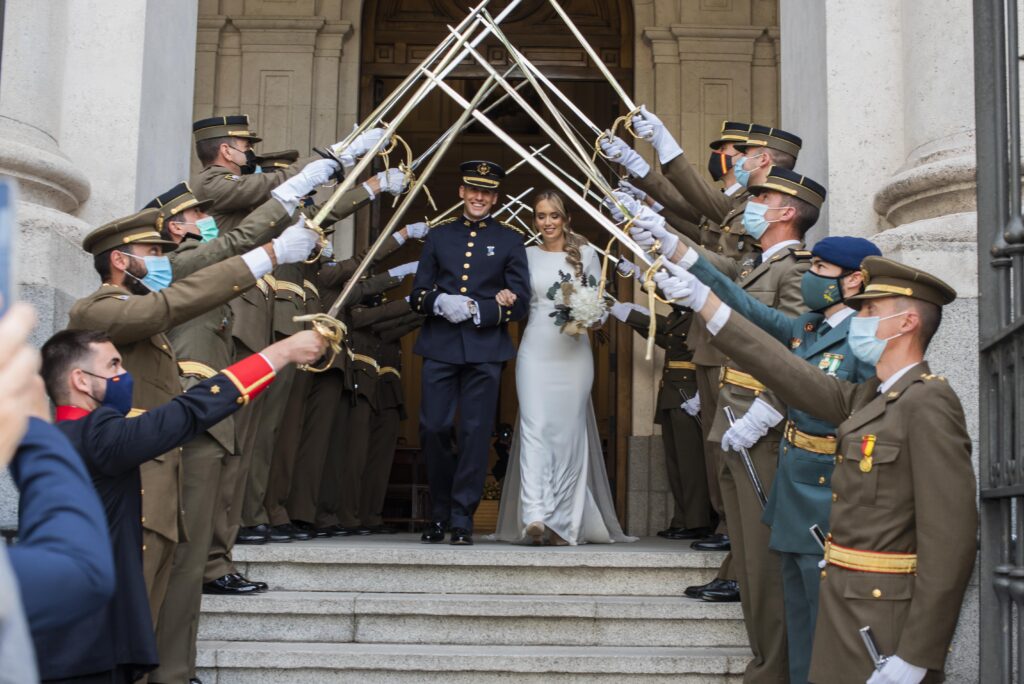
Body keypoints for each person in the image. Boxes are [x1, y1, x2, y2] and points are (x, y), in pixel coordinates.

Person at [656, 255, 977, 684]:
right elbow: (787, 371)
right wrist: (706, 304)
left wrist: (919, 653)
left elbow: (952, 539)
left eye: (870, 310)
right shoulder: (872, 397)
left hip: (882, 620)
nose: (859, 319)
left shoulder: (928, 402)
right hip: (843, 604)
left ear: (906, 323)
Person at [66, 183, 323, 623]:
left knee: (179, 582)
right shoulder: (96, 310)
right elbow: (171, 305)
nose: (161, 261)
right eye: (152, 251)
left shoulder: (142, 315)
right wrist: (272, 254)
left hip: (160, 461)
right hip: (136, 472)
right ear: (120, 260)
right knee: (148, 591)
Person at [31, 327, 325, 684]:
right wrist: (280, 353)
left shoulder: (51, 441)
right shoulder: (98, 437)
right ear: (80, 380)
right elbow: (188, 412)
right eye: (113, 365)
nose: (124, 375)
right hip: (91, 642)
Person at [632, 165, 824, 681]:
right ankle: (767, 662)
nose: (749, 205)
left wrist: (769, 407)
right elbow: (721, 272)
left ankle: (775, 667)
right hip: (732, 416)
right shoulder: (759, 263)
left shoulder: (796, 270)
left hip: (759, 418)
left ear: (787, 212)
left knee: (763, 565)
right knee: (748, 557)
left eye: (761, 199)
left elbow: (795, 346)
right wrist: (666, 238)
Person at [680, 234, 881, 682]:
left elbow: (866, 423)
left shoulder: (864, 340)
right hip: (792, 493)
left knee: (823, 619)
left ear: (854, 281)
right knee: (799, 618)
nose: (811, 277)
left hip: (826, 495)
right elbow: (748, 313)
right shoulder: (810, 327)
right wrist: (691, 271)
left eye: (821, 270)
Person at [492, 190, 633, 546]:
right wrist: (504, 297)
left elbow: (599, 304)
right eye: (541, 216)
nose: (547, 222)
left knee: (569, 435)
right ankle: (535, 514)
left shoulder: (586, 254)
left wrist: (594, 315)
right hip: (536, 350)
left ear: (566, 218)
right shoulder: (524, 255)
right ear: (534, 220)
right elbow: (516, 302)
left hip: (574, 353)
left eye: (554, 215)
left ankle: (564, 523)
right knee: (535, 427)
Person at [410, 160, 530, 546]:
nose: (479, 197)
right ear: (462, 191)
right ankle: (440, 513)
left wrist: (483, 309)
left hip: (485, 349)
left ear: (496, 198)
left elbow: (521, 303)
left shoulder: (510, 240)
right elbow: (417, 294)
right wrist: (440, 301)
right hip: (440, 345)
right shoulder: (439, 236)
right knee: (434, 428)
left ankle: (462, 518)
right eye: (473, 190)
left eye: (487, 192)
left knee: (475, 433)